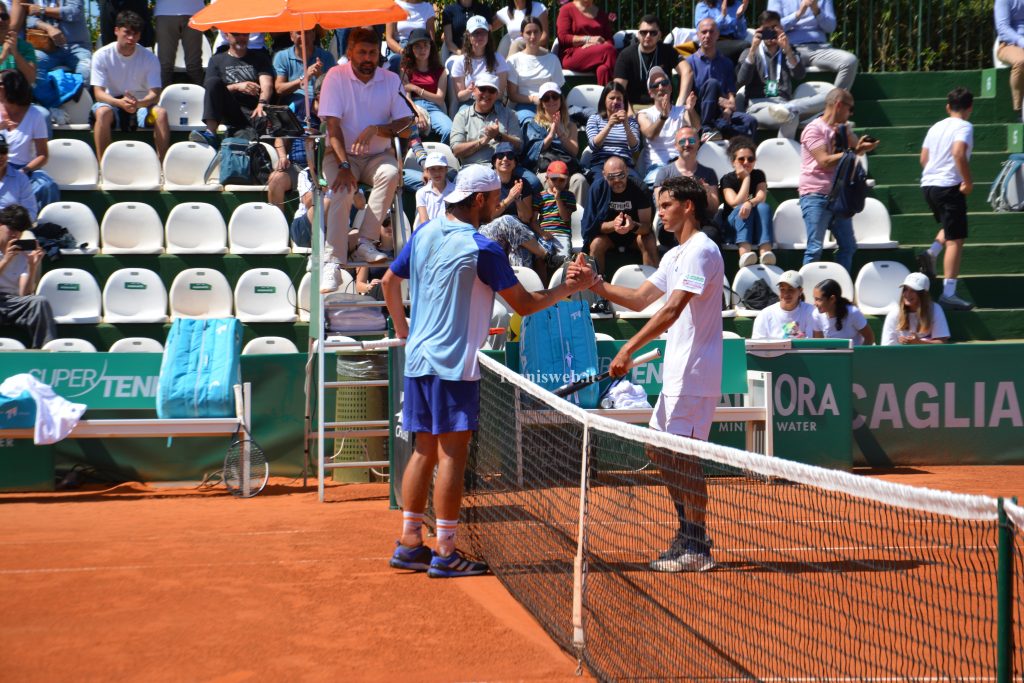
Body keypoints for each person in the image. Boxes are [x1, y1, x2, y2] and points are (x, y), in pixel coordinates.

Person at [381, 164, 596, 578]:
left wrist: (406, 330)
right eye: (496, 197)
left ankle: (410, 542)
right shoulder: (482, 247)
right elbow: (526, 305)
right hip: (454, 366)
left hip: (420, 361)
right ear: (479, 200)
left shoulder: (424, 233)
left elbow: (389, 282)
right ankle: (444, 551)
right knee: (451, 456)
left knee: (424, 448)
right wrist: (569, 289)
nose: (499, 204)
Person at [589, 175, 724, 572]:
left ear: (688, 206)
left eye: (665, 205)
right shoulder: (674, 255)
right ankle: (688, 532)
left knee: (684, 455)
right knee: (658, 449)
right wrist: (597, 284)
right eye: (660, 206)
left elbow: (671, 309)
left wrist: (629, 348)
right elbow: (640, 299)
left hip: (697, 371)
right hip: (679, 372)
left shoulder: (701, 251)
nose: (659, 213)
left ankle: (697, 545)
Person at [319, 27, 414, 289]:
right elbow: (333, 126)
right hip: (339, 154)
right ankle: (333, 262)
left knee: (392, 172)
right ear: (350, 52)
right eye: (362, 52)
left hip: (376, 155)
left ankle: (364, 242)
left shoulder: (391, 79)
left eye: (373, 53)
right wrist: (344, 165)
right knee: (342, 188)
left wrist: (377, 129)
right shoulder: (334, 77)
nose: (367, 58)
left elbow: (407, 124)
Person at [798, 87, 877, 273]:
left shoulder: (841, 129)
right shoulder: (813, 129)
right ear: (839, 105)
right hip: (815, 194)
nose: (851, 114)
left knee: (849, 246)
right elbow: (824, 161)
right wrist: (854, 151)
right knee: (815, 249)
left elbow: (855, 147)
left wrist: (852, 139)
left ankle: (838, 291)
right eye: (850, 109)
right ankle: (806, 293)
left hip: (838, 197)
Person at [917, 87, 975, 312]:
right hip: (948, 186)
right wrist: (968, 182)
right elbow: (959, 153)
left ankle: (931, 253)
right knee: (956, 240)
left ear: (948, 107)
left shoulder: (936, 126)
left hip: (928, 185)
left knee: (949, 226)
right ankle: (949, 293)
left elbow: (924, 159)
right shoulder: (965, 126)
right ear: (969, 108)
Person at [90, 11, 170, 161]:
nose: (131, 38)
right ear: (116, 31)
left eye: (136, 34)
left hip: (141, 105)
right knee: (102, 113)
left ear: (140, 35)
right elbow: (98, 94)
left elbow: (155, 94)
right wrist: (119, 103)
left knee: (162, 114)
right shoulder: (101, 55)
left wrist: (138, 103)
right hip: (111, 103)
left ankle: (162, 166)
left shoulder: (150, 58)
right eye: (127, 32)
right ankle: (103, 166)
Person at [737, 11, 820, 140]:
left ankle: (791, 109)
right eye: (766, 29)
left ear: (780, 28)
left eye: (774, 28)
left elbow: (799, 75)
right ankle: (785, 150)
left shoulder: (788, 50)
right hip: (759, 107)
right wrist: (753, 49)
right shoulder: (749, 52)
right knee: (790, 116)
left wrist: (787, 50)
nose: (770, 33)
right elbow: (742, 80)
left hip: (784, 103)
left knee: (828, 97)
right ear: (759, 31)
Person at [678, 18, 757, 140]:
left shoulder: (727, 63)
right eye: (704, 32)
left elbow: (731, 98)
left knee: (750, 121)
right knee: (712, 84)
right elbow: (689, 98)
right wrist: (717, 100)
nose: (707, 35)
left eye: (711, 32)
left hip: (721, 113)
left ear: (717, 34)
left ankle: (724, 137)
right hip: (699, 112)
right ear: (698, 35)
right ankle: (707, 129)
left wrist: (728, 110)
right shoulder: (689, 63)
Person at [765, 0, 858, 103]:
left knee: (849, 61)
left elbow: (830, 27)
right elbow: (772, 27)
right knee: (772, 59)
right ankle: (776, 103)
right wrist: (798, 14)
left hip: (819, 48)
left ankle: (832, 108)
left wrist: (816, 10)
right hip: (788, 48)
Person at [193, 31, 274, 145]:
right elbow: (211, 89)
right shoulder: (216, 60)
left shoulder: (260, 58)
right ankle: (211, 132)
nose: (241, 37)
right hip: (228, 110)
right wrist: (238, 86)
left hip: (253, 110)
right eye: (236, 34)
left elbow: (267, 84)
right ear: (226, 35)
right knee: (213, 81)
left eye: (245, 34)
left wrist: (262, 103)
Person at [584, 156, 657, 274]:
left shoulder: (640, 188)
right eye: (611, 177)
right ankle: (595, 287)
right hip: (609, 237)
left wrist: (632, 225)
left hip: (635, 235)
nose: (617, 180)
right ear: (604, 175)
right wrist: (614, 225)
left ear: (627, 172)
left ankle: (654, 285)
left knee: (648, 240)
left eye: (621, 175)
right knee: (596, 244)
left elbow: (646, 227)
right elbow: (591, 227)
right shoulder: (597, 189)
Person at [0, 204, 56, 348]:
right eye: (11, 229)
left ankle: (45, 353)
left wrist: (32, 266)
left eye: (19, 231)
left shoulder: (23, 253)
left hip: (13, 302)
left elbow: (24, 293)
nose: (14, 234)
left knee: (39, 302)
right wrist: (6, 260)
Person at [0, 69, 57, 209]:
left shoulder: (35, 116)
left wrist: (23, 171)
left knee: (47, 185)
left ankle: (35, 225)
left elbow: (43, 155)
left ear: (11, 87)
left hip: (24, 170)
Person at [523, 81, 587, 204]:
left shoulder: (570, 125)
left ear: (561, 100)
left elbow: (574, 151)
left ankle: (576, 220)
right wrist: (551, 135)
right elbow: (533, 152)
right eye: (547, 98)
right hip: (545, 168)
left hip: (568, 168)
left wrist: (561, 133)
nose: (551, 100)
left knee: (579, 180)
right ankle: (549, 220)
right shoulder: (533, 123)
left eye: (555, 96)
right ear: (541, 103)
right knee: (545, 180)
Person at [637, 66, 700, 188]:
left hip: (681, 165)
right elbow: (650, 134)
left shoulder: (682, 110)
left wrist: (691, 110)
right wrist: (663, 116)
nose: (660, 87)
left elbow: (696, 128)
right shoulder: (644, 114)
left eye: (664, 83)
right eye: (655, 86)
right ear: (650, 93)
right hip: (656, 167)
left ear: (670, 88)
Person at [652, 126, 720, 235]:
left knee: (712, 234)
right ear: (676, 145)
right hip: (671, 223)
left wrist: (706, 191)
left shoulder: (709, 173)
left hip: (700, 222)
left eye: (691, 140)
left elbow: (713, 209)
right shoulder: (664, 173)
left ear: (698, 144)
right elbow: (660, 205)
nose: (687, 144)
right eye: (682, 141)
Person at [719, 136, 774, 267]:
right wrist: (746, 178)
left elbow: (761, 196)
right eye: (741, 159)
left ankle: (765, 252)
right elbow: (735, 203)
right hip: (733, 230)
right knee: (740, 208)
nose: (746, 162)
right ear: (733, 161)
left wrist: (750, 202)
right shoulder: (727, 179)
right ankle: (744, 254)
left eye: (750, 159)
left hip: (753, 227)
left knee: (763, 207)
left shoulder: (759, 174)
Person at [450, 72, 523, 167]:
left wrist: (499, 136)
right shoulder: (462, 116)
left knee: (533, 181)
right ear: (474, 90)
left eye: (492, 90)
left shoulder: (509, 114)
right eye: (482, 89)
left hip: (505, 168)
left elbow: (519, 146)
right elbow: (456, 151)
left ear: (497, 94)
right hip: (473, 168)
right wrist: (484, 140)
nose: (487, 94)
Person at [612, 15, 684, 109]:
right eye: (644, 32)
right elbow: (618, 89)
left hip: (663, 106)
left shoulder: (667, 51)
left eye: (653, 33)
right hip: (635, 107)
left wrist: (680, 102)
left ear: (659, 35)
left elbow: (687, 72)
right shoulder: (625, 55)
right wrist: (628, 111)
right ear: (638, 34)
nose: (648, 36)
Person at [506, 16, 564, 126]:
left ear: (541, 33)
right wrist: (533, 99)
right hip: (524, 106)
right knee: (531, 124)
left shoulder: (553, 59)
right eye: (528, 32)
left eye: (536, 32)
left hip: (549, 106)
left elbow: (558, 91)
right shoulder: (513, 61)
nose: (532, 36)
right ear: (521, 35)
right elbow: (512, 95)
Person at [401, 29, 452, 145]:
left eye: (425, 45)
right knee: (411, 131)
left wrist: (416, 89)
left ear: (431, 47)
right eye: (417, 46)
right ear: (412, 49)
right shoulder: (406, 69)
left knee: (449, 130)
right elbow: (406, 98)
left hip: (434, 107)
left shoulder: (440, 70)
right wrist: (417, 114)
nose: (422, 49)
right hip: (413, 106)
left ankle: (442, 159)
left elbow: (439, 99)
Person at [23, 0, 91, 83]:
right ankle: (46, 95)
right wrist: (48, 28)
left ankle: (79, 94)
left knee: (85, 71)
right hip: (48, 50)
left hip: (77, 47)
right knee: (33, 66)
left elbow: (74, 11)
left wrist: (42, 10)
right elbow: (30, 19)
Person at [451, 15, 510, 108]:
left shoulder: (498, 59)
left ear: (488, 35)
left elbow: (500, 93)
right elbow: (460, 97)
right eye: (475, 33)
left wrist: (485, 100)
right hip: (469, 104)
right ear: (468, 36)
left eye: (483, 32)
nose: (480, 36)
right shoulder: (460, 62)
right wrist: (469, 91)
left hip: (493, 103)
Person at [585, 82, 642, 179]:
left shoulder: (631, 122)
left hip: (625, 165)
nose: (615, 102)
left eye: (619, 98)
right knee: (600, 184)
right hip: (601, 164)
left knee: (639, 186)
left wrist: (626, 124)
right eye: (612, 98)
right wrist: (609, 125)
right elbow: (593, 145)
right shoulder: (594, 119)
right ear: (604, 100)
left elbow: (635, 147)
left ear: (624, 102)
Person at [555, 0, 617, 85]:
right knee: (609, 50)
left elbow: (610, 40)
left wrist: (595, 46)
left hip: (599, 54)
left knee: (604, 69)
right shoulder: (566, 9)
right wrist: (587, 39)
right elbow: (563, 38)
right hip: (572, 55)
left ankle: (606, 97)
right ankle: (622, 94)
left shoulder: (601, 14)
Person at [273, 28, 336, 112]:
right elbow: (279, 89)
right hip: (293, 109)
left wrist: (320, 77)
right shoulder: (282, 56)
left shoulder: (326, 57)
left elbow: (334, 89)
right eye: (299, 33)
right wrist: (303, 79)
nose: (303, 37)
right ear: (291, 36)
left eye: (307, 32)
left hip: (319, 107)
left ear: (313, 35)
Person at [881, 272, 950, 346]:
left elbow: (942, 343)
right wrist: (900, 343)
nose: (907, 294)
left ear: (923, 294)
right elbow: (886, 347)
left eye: (913, 290)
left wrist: (919, 342)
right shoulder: (894, 313)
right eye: (905, 289)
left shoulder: (935, 309)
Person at [751, 270, 823, 339]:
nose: (786, 294)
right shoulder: (765, 314)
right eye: (782, 289)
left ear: (800, 291)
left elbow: (813, 345)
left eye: (791, 289)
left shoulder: (811, 312)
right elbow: (757, 346)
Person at [531, 160, 575, 266]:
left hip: (562, 234)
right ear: (547, 178)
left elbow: (565, 218)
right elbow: (533, 221)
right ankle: (542, 283)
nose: (557, 183)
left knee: (565, 261)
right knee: (540, 259)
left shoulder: (569, 196)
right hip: (544, 233)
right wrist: (542, 233)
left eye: (561, 180)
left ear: (567, 180)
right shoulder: (540, 196)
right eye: (554, 179)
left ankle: (563, 282)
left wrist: (558, 199)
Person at [154, 0, 205, 87]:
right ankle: (161, 98)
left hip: (194, 13)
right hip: (165, 12)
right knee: (165, 65)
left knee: (194, 65)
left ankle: (202, 97)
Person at [812, 277, 874, 345]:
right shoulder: (816, 315)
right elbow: (819, 344)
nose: (815, 303)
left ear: (832, 299)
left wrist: (858, 355)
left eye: (819, 299)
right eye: (815, 299)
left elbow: (869, 338)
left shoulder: (853, 313)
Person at [385, 0, 436, 74]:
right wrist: (402, 51)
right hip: (399, 47)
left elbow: (431, 39)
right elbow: (389, 38)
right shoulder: (394, 5)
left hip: (421, 46)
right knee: (396, 61)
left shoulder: (428, 8)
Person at [995, 0, 1024, 120]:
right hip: (1009, 44)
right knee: (1021, 61)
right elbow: (1002, 28)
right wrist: (1021, 41)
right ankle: (1018, 110)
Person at [0, 138, 37, 220]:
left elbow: (30, 212)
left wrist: (12, 227)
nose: (0, 156)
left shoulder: (21, 179)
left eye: (3, 151)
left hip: (13, 228)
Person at [415, 152, 454, 225]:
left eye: (440, 168)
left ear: (446, 169)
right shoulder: (421, 193)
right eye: (432, 169)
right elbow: (424, 222)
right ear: (427, 171)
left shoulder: (455, 191)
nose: (437, 173)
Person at [0, 9, 37, 85]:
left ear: (9, 19)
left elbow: (31, 80)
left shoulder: (25, 47)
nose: (0, 20)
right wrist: (3, 56)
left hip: (16, 94)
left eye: (4, 16)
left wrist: (16, 54)